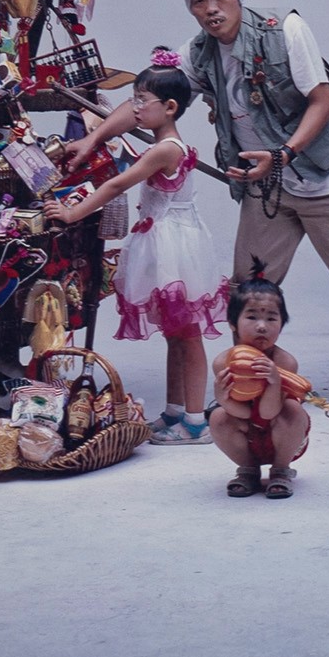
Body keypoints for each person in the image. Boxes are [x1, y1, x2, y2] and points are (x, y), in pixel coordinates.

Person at [157, 0, 329, 415]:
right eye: (198, 1)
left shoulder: (285, 29)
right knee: (248, 288)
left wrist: (283, 154)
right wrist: (98, 127)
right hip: (269, 184)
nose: (211, 8)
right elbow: (156, 98)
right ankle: (245, 381)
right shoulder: (198, 53)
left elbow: (321, 101)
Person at [44, 52, 226, 444]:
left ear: (170, 107)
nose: (136, 108)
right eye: (134, 99)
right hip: (162, 239)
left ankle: (196, 422)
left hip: (174, 246)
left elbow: (116, 185)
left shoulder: (166, 149)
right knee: (175, 334)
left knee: (188, 335)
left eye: (143, 100)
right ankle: (175, 411)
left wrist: (72, 213)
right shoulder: (163, 144)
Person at [211, 262, 329, 498]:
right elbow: (243, 413)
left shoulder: (285, 362)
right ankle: (248, 470)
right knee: (218, 417)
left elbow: (269, 412)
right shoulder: (223, 363)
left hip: (282, 436)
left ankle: (281, 470)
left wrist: (274, 381)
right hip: (246, 432)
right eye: (251, 317)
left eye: (271, 318)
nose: (262, 326)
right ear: (233, 324)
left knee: (294, 410)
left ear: (282, 325)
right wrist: (223, 399)